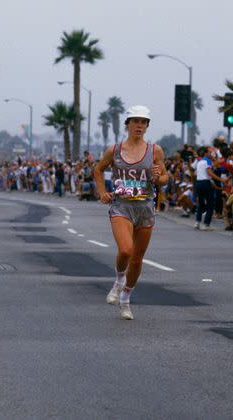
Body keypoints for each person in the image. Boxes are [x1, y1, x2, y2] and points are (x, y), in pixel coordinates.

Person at [93, 105, 168, 321]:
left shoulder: (155, 150)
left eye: (143, 122)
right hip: (121, 205)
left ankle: (126, 298)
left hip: (145, 206)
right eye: (135, 121)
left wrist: (158, 176)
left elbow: (165, 178)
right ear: (127, 124)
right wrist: (102, 191)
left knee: (137, 260)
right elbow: (98, 169)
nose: (139, 125)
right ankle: (118, 281)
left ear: (147, 126)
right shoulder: (114, 150)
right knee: (125, 250)